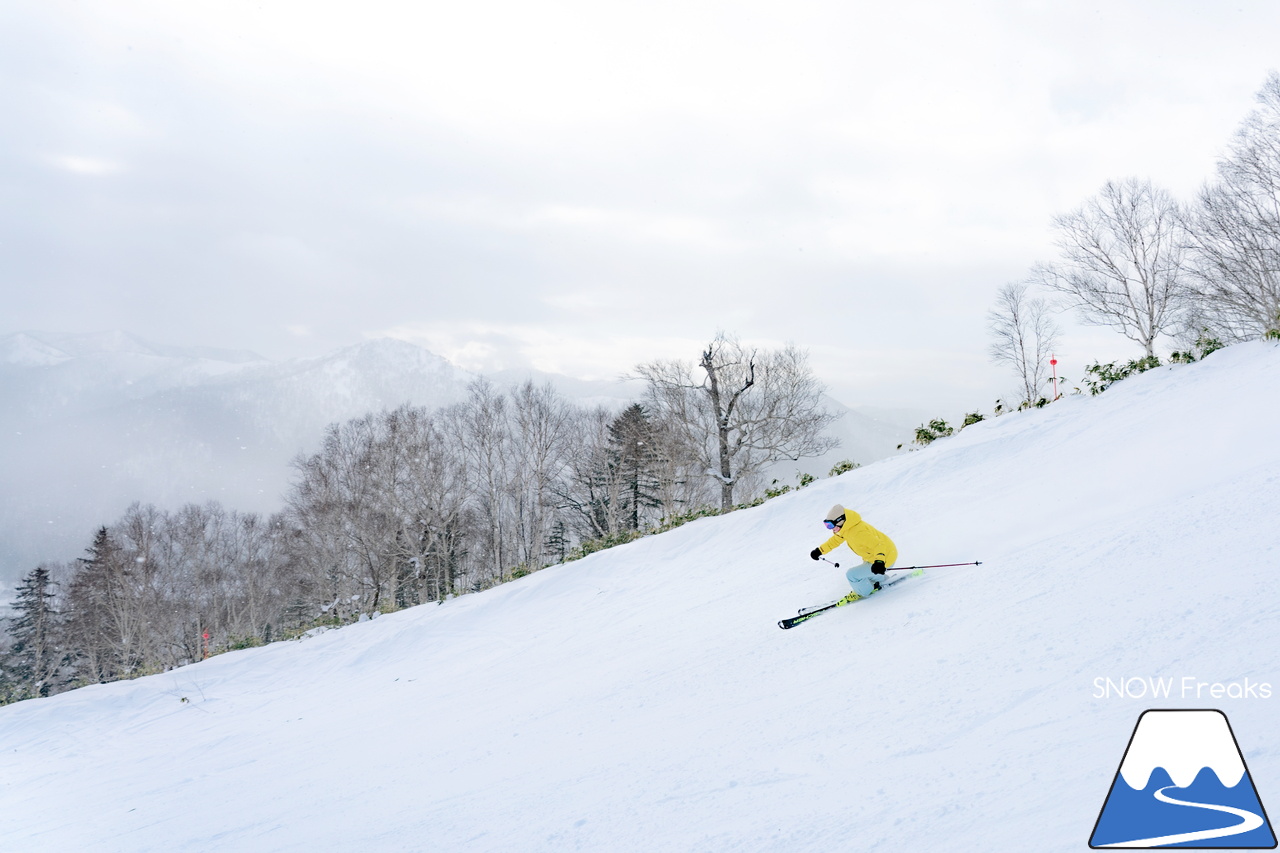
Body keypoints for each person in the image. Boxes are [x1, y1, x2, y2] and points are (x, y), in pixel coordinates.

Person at [809, 503, 899, 604]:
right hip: (879, 556)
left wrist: (879, 561)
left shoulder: (857, 532)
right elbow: (835, 541)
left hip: (884, 557)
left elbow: (879, 545)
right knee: (864, 572)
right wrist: (820, 550)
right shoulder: (846, 528)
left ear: (840, 520)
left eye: (830, 525)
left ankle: (863, 592)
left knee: (852, 575)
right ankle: (879, 579)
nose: (830, 528)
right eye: (827, 525)